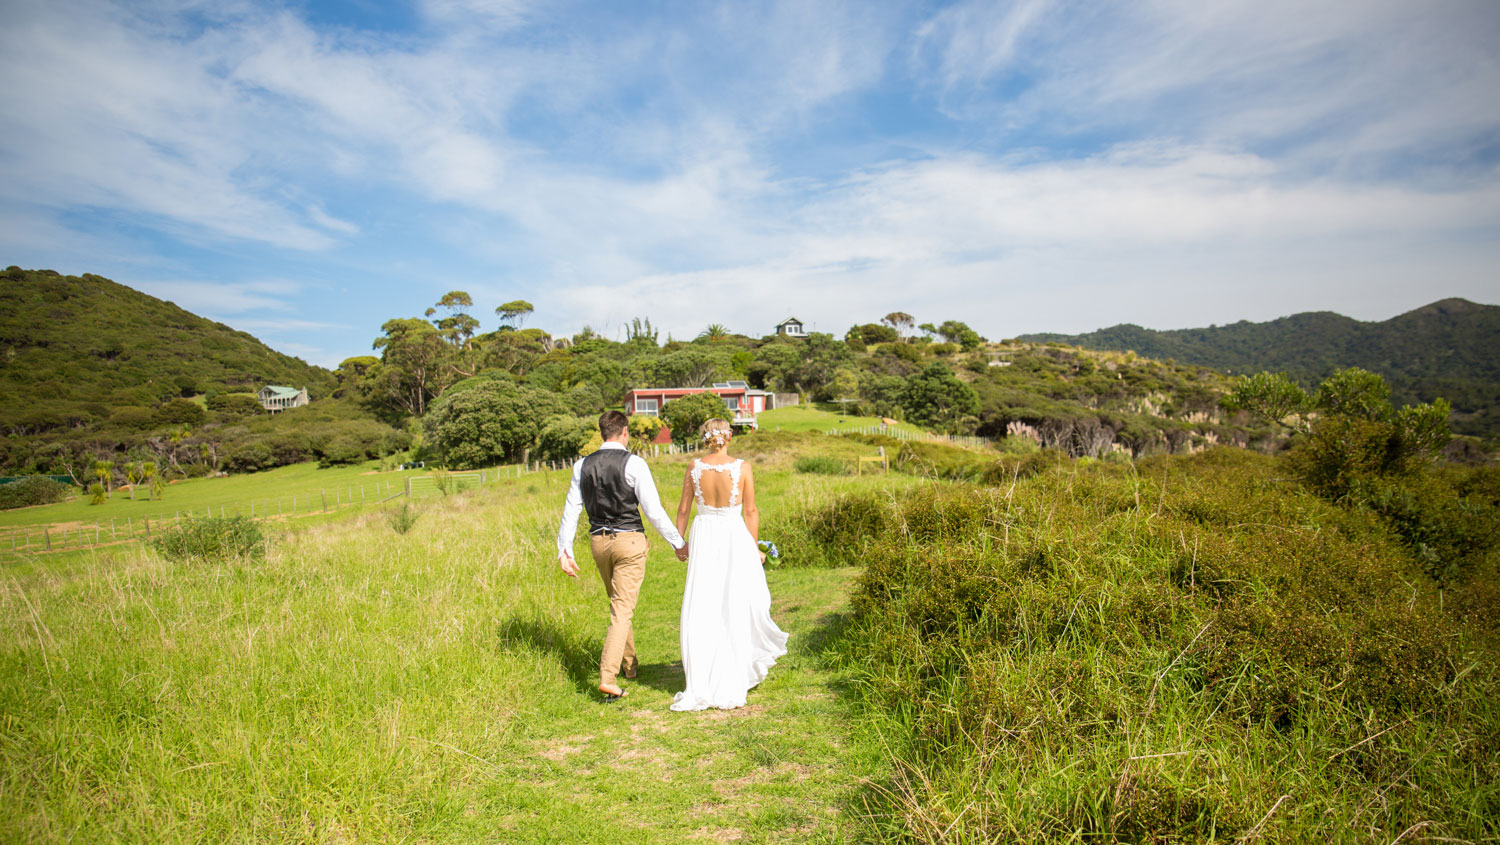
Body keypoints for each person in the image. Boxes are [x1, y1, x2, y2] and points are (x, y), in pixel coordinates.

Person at [557, 410, 689, 701]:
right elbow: (652, 510)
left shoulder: (581, 465)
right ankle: (608, 677)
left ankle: (630, 666)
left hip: (598, 542)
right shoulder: (635, 463)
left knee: (619, 605)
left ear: (603, 432)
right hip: (629, 541)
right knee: (622, 609)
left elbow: (571, 510)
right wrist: (678, 542)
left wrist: (564, 550)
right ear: (625, 432)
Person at [670, 418, 789, 711]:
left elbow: (684, 509)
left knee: (704, 601)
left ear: (706, 437)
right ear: (729, 437)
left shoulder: (693, 467)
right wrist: (754, 547)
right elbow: (750, 511)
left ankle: (704, 673)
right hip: (733, 535)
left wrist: (679, 542)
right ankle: (734, 666)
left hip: (705, 534)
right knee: (735, 598)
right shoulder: (742, 467)